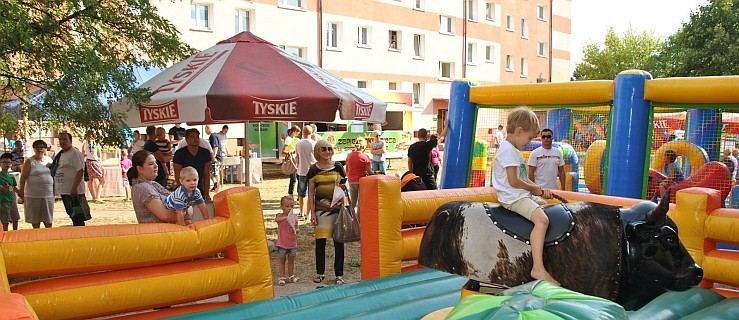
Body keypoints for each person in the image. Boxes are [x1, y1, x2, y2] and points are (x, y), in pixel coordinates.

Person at [492, 106, 558, 285]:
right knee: (542, 220)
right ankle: (537, 268)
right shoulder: (507, 150)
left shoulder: (513, 150)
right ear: (519, 131)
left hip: (521, 194)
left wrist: (536, 189)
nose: (529, 142)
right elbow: (513, 181)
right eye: (529, 138)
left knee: (551, 210)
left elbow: (520, 178)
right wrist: (533, 189)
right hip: (513, 198)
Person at [307, 139, 347, 285]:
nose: (327, 152)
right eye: (323, 149)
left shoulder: (338, 167)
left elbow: (344, 186)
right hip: (320, 210)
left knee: (338, 242)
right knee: (320, 243)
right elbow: (311, 192)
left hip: (337, 209)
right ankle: (320, 273)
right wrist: (311, 212)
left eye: (329, 149)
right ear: (317, 151)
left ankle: (339, 275)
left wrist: (342, 189)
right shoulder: (313, 169)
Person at [128, 150, 187, 224]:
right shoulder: (142, 188)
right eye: (151, 164)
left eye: (155, 162)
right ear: (140, 169)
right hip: (156, 233)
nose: (156, 166)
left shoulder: (153, 184)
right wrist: (185, 214)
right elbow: (165, 215)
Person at [54, 132, 89, 227]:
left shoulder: (75, 153)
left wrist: (74, 188)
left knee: (78, 216)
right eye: (60, 139)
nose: (62, 141)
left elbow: (80, 171)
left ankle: (81, 237)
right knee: (72, 214)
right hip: (65, 190)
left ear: (70, 140)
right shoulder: (60, 154)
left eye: (65, 139)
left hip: (74, 191)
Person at [18, 140, 54, 229]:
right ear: (34, 149)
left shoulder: (49, 160)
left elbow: (53, 174)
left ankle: (49, 239)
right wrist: (21, 191)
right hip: (33, 195)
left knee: (48, 220)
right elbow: (23, 177)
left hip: (48, 194)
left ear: (45, 149)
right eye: (37, 147)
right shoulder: (30, 161)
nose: (40, 149)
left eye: (42, 147)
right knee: (35, 220)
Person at [173, 129, 212, 200]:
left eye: (197, 137)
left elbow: (207, 174)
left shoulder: (205, 153)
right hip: (184, 188)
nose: (195, 139)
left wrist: (207, 193)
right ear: (186, 139)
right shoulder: (179, 154)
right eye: (192, 137)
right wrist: (182, 193)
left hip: (200, 187)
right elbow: (177, 175)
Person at [275, 195, 299, 286]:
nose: (289, 208)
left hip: (292, 244)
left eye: (291, 206)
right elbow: (277, 220)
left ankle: (291, 275)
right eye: (287, 206)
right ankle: (282, 276)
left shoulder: (294, 218)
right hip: (282, 244)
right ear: (282, 207)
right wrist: (286, 218)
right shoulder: (279, 216)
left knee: (291, 260)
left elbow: (297, 228)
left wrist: (296, 230)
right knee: (282, 260)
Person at [345, 137, 372, 212]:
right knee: (360, 203)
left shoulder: (349, 156)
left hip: (351, 181)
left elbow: (347, 169)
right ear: (363, 146)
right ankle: (359, 220)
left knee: (353, 202)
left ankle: (350, 218)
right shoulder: (365, 157)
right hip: (361, 181)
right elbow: (369, 172)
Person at [296, 125, 317, 218]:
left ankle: (301, 211)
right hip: (312, 171)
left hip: (301, 170)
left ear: (302, 133)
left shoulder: (298, 143)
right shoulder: (314, 144)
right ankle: (308, 213)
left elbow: (297, 157)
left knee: (301, 193)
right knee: (311, 193)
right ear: (311, 133)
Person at [82, 132, 105, 203]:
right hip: (96, 162)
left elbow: (82, 154)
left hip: (88, 162)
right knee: (101, 180)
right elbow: (100, 155)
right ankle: (98, 196)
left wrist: (87, 154)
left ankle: (93, 196)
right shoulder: (96, 144)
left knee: (90, 180)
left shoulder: (84, 144)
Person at [0, 153, 20, 231]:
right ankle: (6, 234)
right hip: (3, 201)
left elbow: (13, 187)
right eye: (4, 162)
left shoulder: (11, 176)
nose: (7, 164)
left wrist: (20, 193)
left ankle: (15, 233)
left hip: (12, 200)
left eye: (9, 162)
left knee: (15, 218)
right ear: (0, 164)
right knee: (5, 220)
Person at [283, 125, 301, 197]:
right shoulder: (288, 139)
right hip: (291, 159)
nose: (298, 134)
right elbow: (285, 150)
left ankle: (299, 194)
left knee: (299, 178)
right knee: (293, 178)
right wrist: (291, 150)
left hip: (296, 159)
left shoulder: (295, 139)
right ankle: (291, 194)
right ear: (294, 132)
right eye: (297, 133)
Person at [208, 126, 222, 192]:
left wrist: (213, 158)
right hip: (217, 158)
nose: (205, 131)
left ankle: (217, 186)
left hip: (216, 158)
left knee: (215, 173)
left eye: (206, 129)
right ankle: (215, 184)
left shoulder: (213, 136)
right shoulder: (216, 135)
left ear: (208, 129)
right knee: (211, 173)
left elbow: (215, 147)